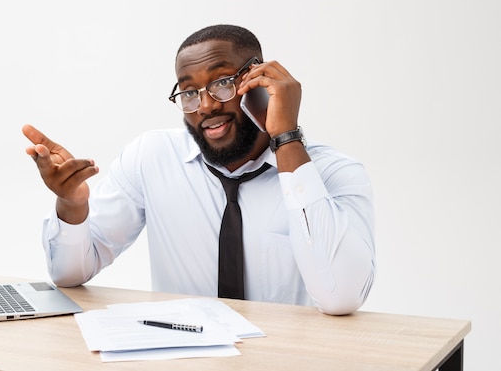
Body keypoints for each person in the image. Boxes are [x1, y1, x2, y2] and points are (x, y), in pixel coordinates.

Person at [23, 24, 375, 315]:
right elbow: (70, 274)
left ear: (260, 81)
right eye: (189, 92)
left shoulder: (331, 174)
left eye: (222, 83)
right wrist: (72, 205)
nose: (204, 105)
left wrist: (285, 137)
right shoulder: (152, 157)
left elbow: (340, 296)